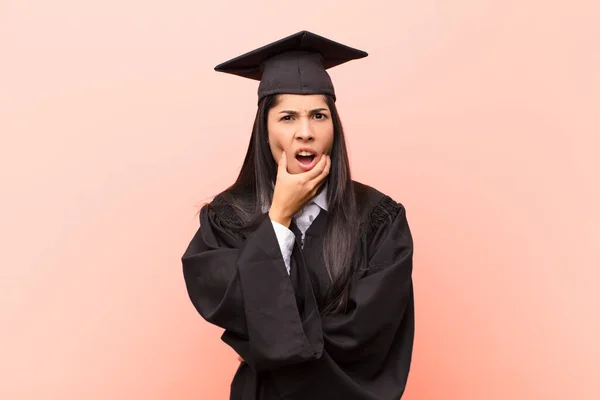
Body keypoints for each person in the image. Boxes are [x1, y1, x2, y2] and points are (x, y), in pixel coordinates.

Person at [181, 30, 415, 400]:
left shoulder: (379, 219)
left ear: (334, 127)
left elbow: (371, 336)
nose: (304, 133)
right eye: (287, 117)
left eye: (318, 115)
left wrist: (279, 345)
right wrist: (279, 217)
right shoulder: (227, 218)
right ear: (265, 128)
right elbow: (233, 310)